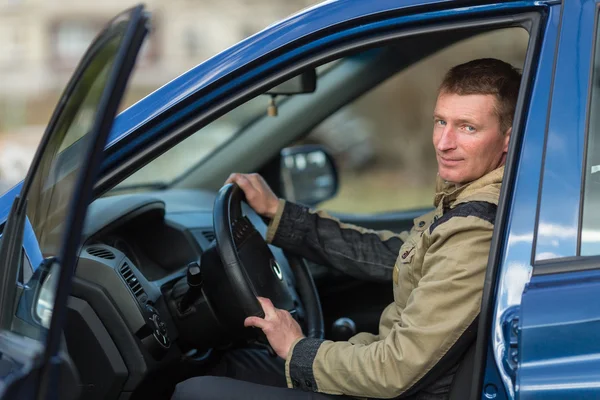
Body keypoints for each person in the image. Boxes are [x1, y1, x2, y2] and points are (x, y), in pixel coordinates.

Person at [171, 58, 521, 400]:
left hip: (391, 388)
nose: (443, 142)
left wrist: (297, 347)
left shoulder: (474, 228)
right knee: (231, 365)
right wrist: (281, 214)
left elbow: (395, 370)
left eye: (467, 127)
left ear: (508, 138)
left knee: (193, 391)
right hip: (378, 373)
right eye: (440, 121)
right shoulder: (462, 203)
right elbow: (392, 256)